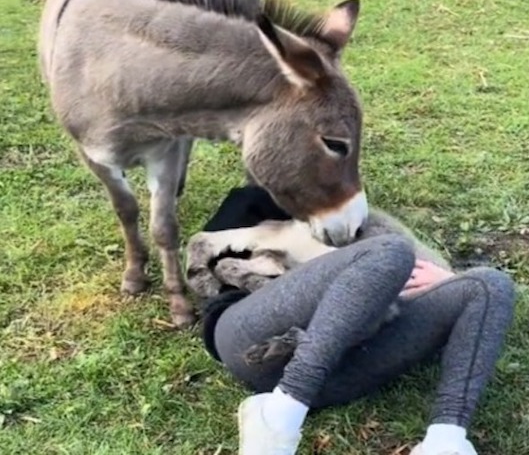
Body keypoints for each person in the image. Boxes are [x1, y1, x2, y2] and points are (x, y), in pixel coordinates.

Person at [193, 187, 516, 455]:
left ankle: (446, 439)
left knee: (490, 285)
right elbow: (206, 265)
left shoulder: (353, 214)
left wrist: (448, 283)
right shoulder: (255, 199)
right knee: (391, 253)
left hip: (347, 365)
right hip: (251, 341)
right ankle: (276, 418)